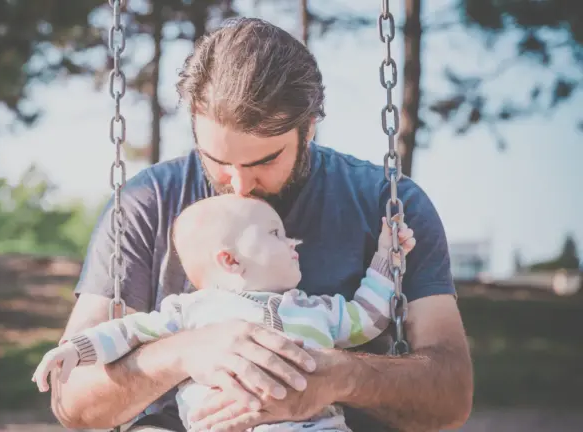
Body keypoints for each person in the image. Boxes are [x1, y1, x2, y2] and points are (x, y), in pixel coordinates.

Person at [51, 17, 473, 432]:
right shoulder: (148, 203)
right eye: (217, 161)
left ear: (309, 128)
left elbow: (452, 396)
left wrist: (338, 376)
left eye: (265, 161)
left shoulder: (388, 204)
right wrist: (183, 351)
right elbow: (72, 400)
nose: (238, 185)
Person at [33, 195, 416, 432]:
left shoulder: (317, 309)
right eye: (276, 234)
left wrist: (387, 259)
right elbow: (128, 331)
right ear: (230, 260)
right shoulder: (191, 311)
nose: (293, 242)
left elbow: (367, 318)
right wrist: (76, 349)